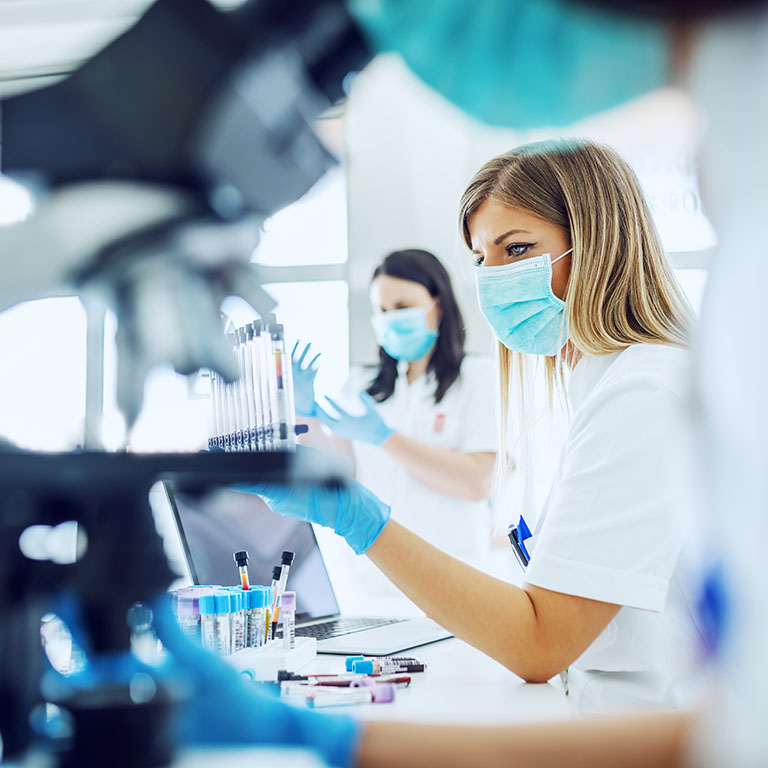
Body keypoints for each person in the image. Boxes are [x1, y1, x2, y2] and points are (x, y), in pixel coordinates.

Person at [240, 138, 705, 716]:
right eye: (483, 258)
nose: (494, 279)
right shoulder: (592, 387)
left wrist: (356, 517)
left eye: (517, 249)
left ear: (596, 243)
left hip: (652, 726)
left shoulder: (644, 391)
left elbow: (540, 642)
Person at [292, 249, 497, 562]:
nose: (391, 319)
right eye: (383, 310)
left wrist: (385, 438)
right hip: (368, 571)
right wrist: (305, 418)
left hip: (451, 568)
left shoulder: (477, 377)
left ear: (438, 305)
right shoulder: (363, 383)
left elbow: (476, 483)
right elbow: (337, 473)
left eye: (403, 307)